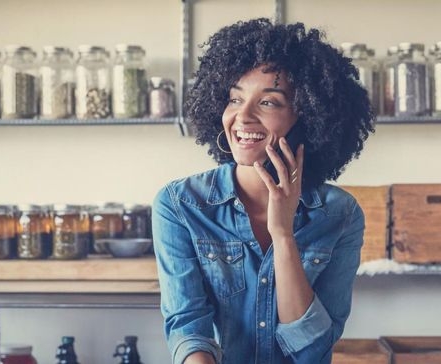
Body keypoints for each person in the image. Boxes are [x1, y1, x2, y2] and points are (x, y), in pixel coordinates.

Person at [152, 18, 375, 364]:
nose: (242, 117)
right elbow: (188, 328)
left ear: (308, 115)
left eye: (268, 102)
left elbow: (312, 349)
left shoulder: (339, 214)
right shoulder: (181, 204)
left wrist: (283, 234)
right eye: (234, 99)